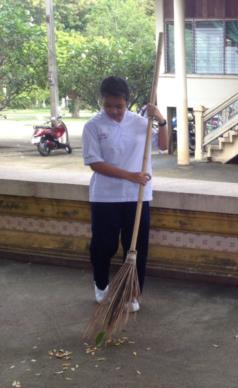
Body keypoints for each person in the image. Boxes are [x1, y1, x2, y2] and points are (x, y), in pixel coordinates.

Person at [82, 76, 168, 312]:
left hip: (137, 197)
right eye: (108, 105)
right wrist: (130, 176)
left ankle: (131, 292)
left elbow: (163, 146)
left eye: (118, 106)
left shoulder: (141, 123)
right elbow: (95, 164)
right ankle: (101, 284)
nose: (113, 111)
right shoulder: (93, 126)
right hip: (105, 197)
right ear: (102, 101)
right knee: (103, 246)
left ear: (127, 102)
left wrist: (161, 120)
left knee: (136, 248)